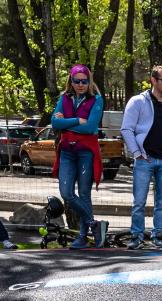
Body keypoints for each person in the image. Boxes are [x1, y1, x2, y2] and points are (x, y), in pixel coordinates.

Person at [121, 65, 162, 249]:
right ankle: (136, 237)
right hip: (144, 160)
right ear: (153, 80)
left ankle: (157, 236)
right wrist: (137, 153)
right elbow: (126, 129)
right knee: (139, 201)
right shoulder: (137, 102)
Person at [50, 64, 105, 249]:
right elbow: (54, 123)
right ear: (71, 81)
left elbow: (90, 128)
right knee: (66, 193)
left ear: (89, 81)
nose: (81, 85)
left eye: (84, 81)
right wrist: (76, 120)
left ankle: (82, 237)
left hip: (85, 152)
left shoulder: (96, 99)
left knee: (84, 194)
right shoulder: (64, 98)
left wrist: (65, 123)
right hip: (67, 152)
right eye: (77, 81)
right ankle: (93, 224)